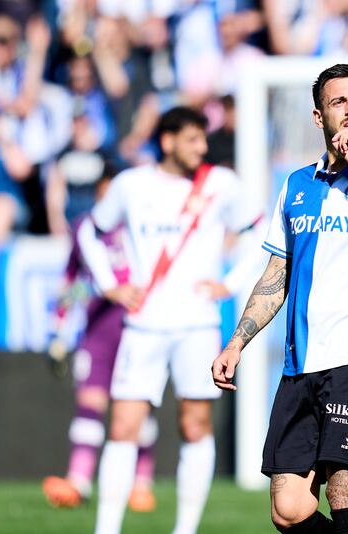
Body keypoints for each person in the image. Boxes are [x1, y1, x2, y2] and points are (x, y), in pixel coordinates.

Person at [212, 63, 348, 534]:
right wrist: (237, 342)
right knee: (288, 509)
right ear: (319, 117)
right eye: (339, 102)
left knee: (345, 490)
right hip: (299, 365)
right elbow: (278, 272)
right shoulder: (296, 185)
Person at [91, 106, 263, 534]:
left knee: (195, 423)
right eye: (192, 139)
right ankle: (106, 529)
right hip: (143, 324)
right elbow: (91, 231)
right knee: (124, 425)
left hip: (198, 325)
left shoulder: (220, 184)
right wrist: (109, 282)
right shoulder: (131, 184)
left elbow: (261, 230)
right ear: (167, 141)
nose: (201, 148)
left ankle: (185, 529)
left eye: (203, 139)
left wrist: (234, 281)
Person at [42, 167, 159, 512]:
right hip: (98, 329)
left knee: (138, 408)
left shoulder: (144, 224)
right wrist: (58, 332)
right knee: (90, 403)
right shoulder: (85, 228)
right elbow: (70, 278)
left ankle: (142, 484)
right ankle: (78, 482)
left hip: (138, 326)